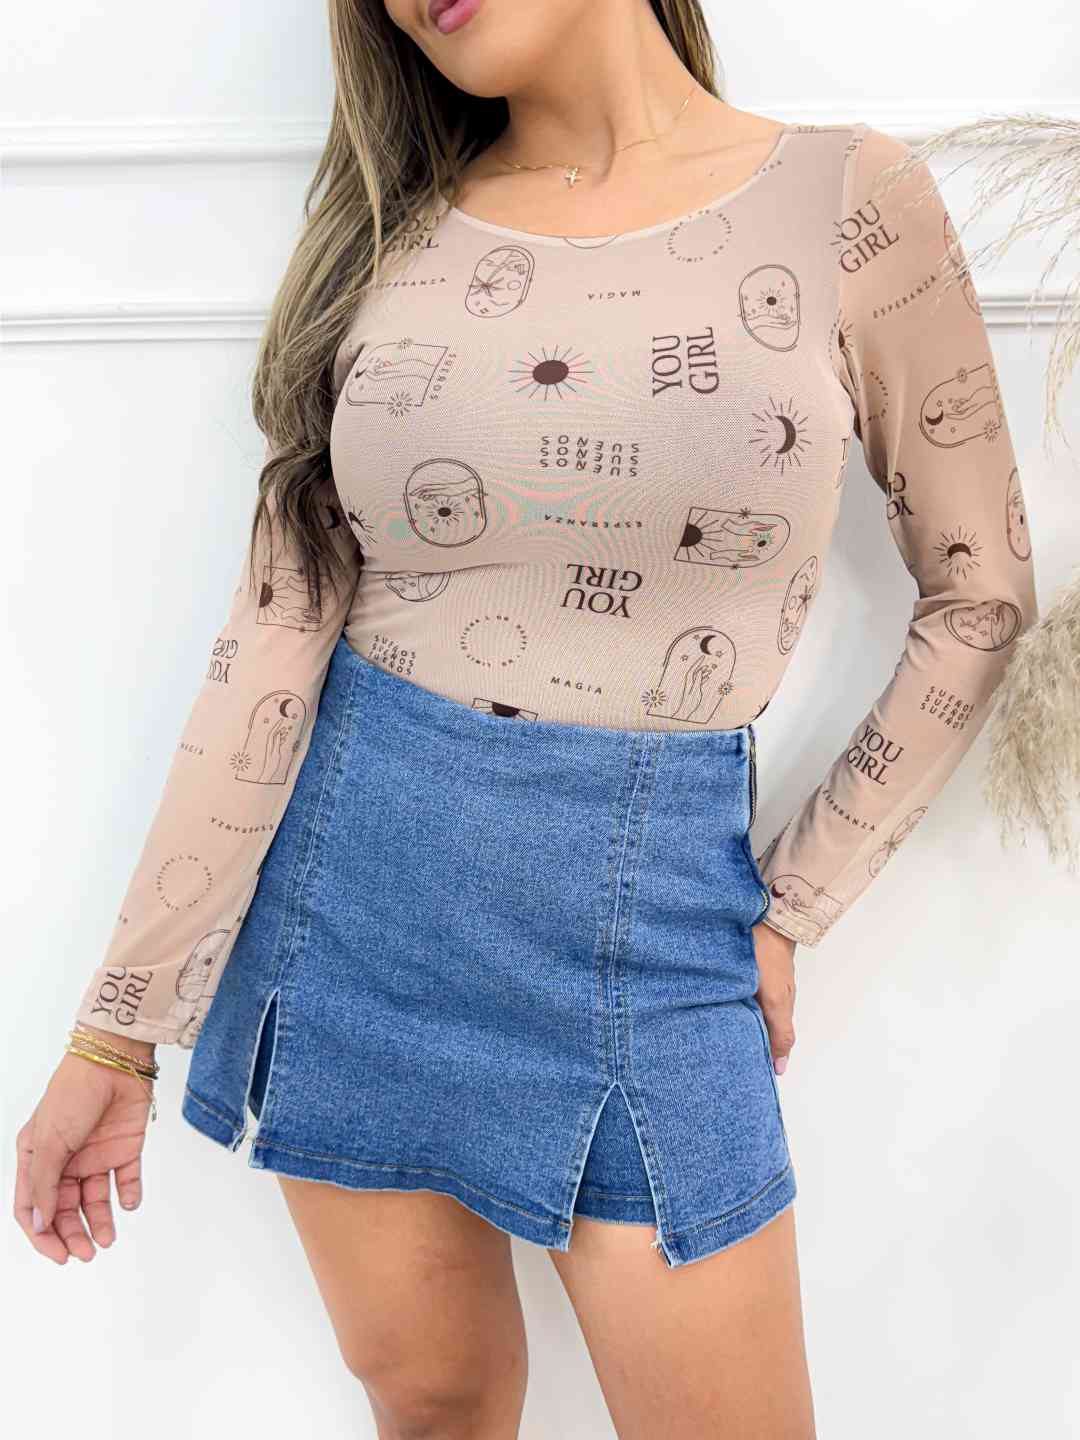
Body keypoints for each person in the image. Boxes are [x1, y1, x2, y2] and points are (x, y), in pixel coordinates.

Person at [15, 1, 1038, 1435]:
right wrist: (112, 1032)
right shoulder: (385, 237)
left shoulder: (848, 200)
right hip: (349, 912)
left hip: (654, 931)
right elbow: (271, 640)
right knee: (436, 1404)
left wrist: (794, 904)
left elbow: (982, 594)